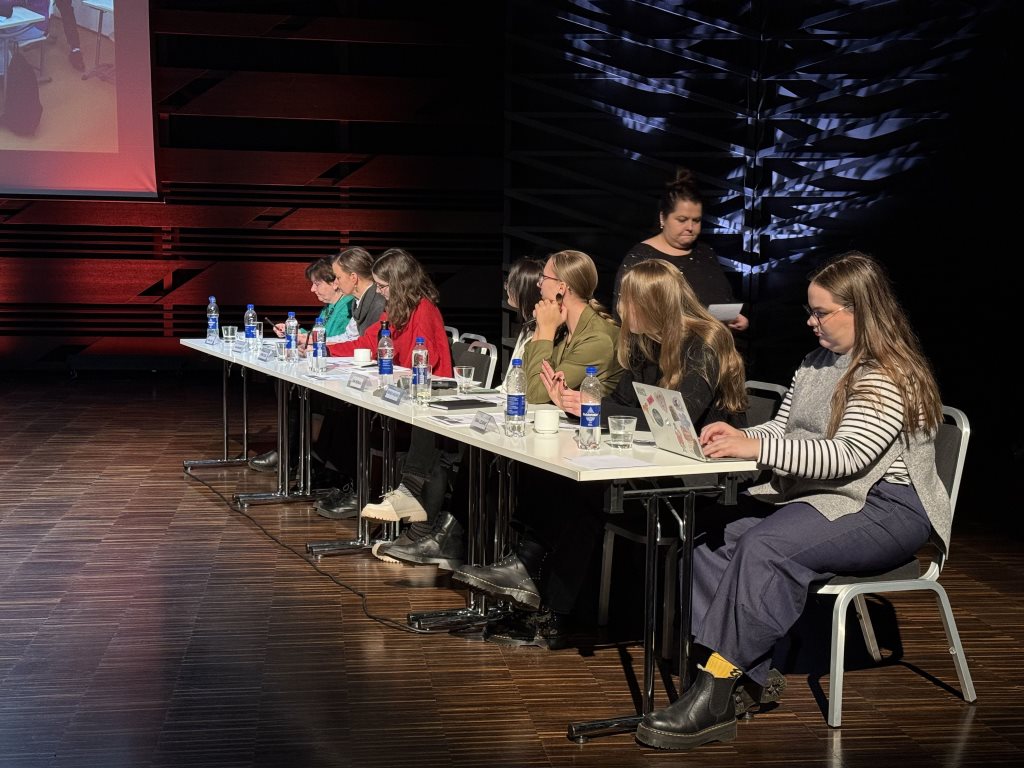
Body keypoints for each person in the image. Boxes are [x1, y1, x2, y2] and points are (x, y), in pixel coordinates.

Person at [634, 251, 951, 751]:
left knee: (766, 547)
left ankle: (714, 696)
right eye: (810, 310)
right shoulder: (816, 362)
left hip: (887, 508)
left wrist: (755, 450)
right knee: (710, 537)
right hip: (829, 498)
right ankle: (744, 680)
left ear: (861, 310)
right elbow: (786, 428)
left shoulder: (889, 374)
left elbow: (848, 456)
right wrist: (738, 436)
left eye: (821, 312)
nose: (810, 321)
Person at [467, 259, 750, 649]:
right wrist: (576, 400)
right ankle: (532, 584)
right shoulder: (644, 342)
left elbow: (676, 417)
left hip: (702, 476)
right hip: (652, 463)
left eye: (628, 300)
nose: (620, 309)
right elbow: (621, 402)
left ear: (653, 303)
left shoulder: (704, 342)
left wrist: (594, 408)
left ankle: (544, 602)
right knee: (558, 476)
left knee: (584, 494)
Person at [448, 250, 624, 647]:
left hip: (598, 451)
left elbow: (532, 394)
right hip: (568, 441)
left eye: (544, 278)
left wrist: (542, 334)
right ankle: (521, 576)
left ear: (563, 288)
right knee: (523, 466)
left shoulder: (596, 337)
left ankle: (532, 583)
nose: (538, 284)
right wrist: (545, 338)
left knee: (554, 482)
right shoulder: (564, 329)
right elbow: (533, 386)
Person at [375, 257, 545, 565]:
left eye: (509, 282)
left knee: (435, 428)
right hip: (498, 405)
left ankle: (424, 516)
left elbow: (428, 359)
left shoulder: (542, 332)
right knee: (435, 427)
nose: (504, 287)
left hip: (515, 415)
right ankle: (431, 527)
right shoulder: (528, 328)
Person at [316, 248, 453, 519]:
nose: (378, 292)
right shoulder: (395, 310)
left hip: (429, 393)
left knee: (363, 417)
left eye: (382, 286)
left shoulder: (424, 309)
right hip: (403, 389)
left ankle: (402, 492)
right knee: (347, 411)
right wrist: (325, 349)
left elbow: (423, 360)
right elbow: (369, 342)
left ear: (399, 283)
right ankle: (353, 485)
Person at [248, 257, 358, 474]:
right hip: (324, 367)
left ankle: (291, 456)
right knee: (287, 385)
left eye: (317, 284)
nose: (312, 289)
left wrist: (305, 340)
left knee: (292, 390)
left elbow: (338, 342)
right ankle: (289, 454)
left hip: (338, 374)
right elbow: (319, 336)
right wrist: (298, 333)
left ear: (335, 283)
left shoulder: (347, 306)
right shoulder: (330, 307)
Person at [612, 167, 748, 333]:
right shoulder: (641, 258)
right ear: (663, 218)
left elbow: (719, 300)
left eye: (696, 220)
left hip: (711, 346)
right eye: (682, 220)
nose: (690, 227)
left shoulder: (705, 252)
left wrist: (733, 317)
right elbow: (626, 319)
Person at [330, 246, 387, 337]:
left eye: (338, 277)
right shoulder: (358, 301)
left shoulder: (379, 304)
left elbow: (369, 342)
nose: (335, 283)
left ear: (353, 277)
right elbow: (350, 336)